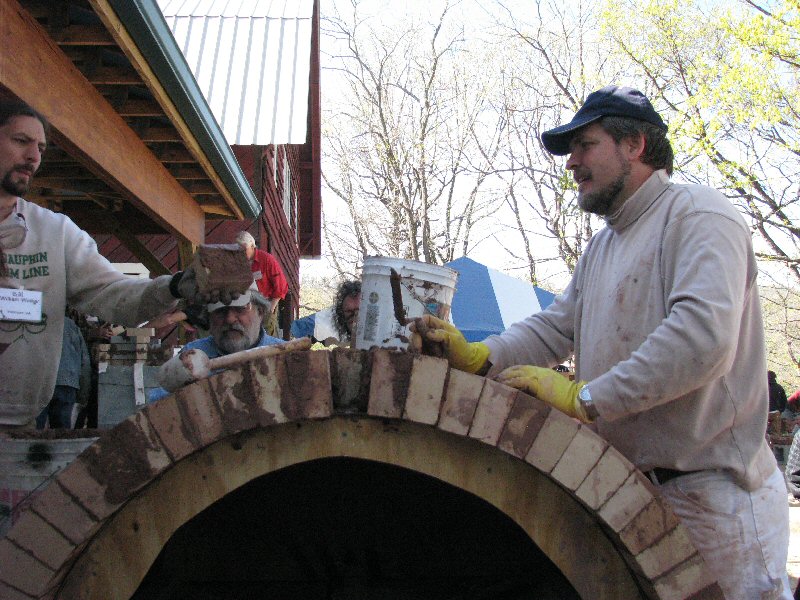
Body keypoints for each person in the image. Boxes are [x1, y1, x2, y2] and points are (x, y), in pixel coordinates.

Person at [413, 86, 791, 599]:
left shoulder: (700, 215)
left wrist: (584, 398)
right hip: (634, 488)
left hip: (716, 496)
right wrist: (485, 356)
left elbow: (702, 340)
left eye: (584, 145)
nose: (572, 163)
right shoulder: (604, 245)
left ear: (634, 144)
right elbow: (555, 326)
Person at [0, 100, 236, 428]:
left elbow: (114, 295)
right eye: (21, 141)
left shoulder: (53, 231)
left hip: (20, 418)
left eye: (40, 147)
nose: (34, 157)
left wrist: (174, 285)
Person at [148, 283, 283, 402]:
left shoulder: (283, 355)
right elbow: (157, 403)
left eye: (240, 308)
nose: (230, 319)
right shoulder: (193, 355)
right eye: (220, 311)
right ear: (209, 318)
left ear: (260, 312)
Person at [35, 309, 90, 429]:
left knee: (34, 430)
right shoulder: (70, 325)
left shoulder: (32, 322)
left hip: (39, 382)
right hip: (67, 383)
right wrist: (83, 395)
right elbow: (84, 362)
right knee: (63, 432)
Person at [235, 231, 288, 336]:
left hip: (266, 303)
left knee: (267, 336)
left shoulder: (267, 260)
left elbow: (281, 286)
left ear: (252, 246)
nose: (241, 253)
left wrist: (271, 307)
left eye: (244, 249)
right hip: (247, 305)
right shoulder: (239, 263)